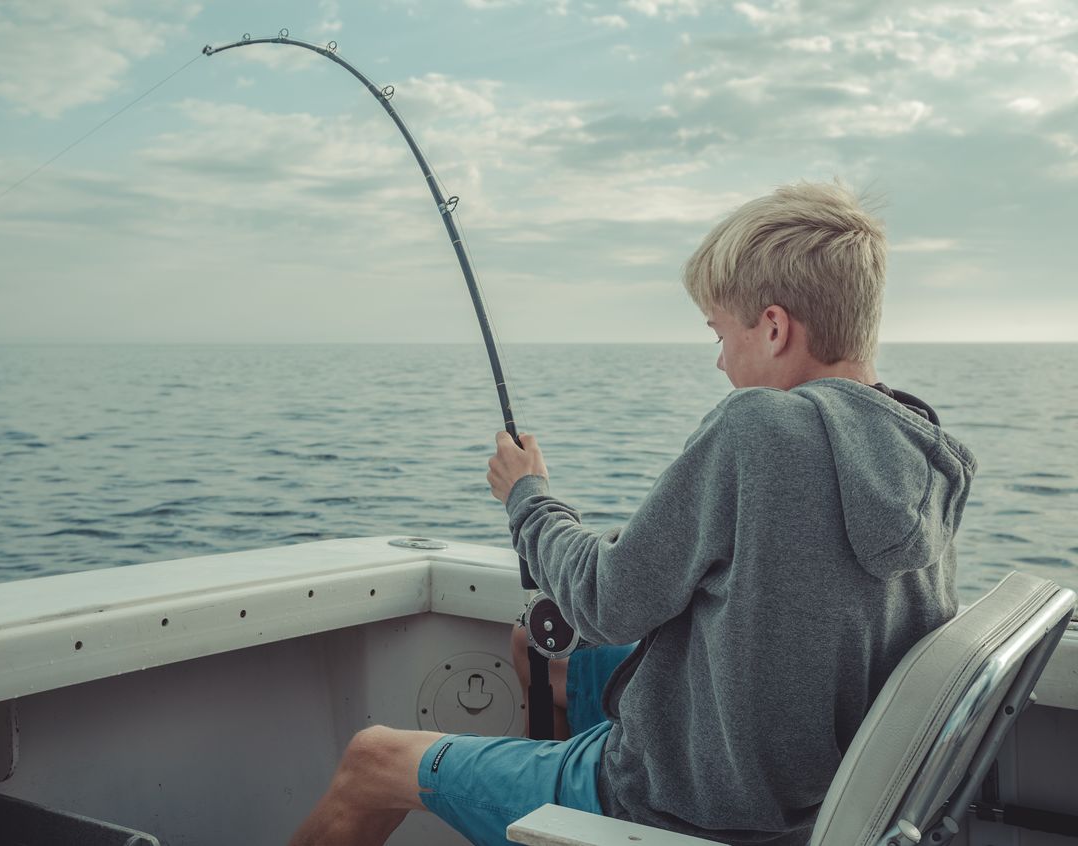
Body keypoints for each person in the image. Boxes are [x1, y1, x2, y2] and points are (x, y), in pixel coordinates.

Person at [286, 181, 978, 846]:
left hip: (690, 808)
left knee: (369, 762)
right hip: (808, 799)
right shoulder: (916, 448)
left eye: (719, 334)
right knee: (540, 648)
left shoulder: (760, 427)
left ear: (772, 328)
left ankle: (575, 811)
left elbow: (606, 602)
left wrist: (529, 499)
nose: (719, 363)